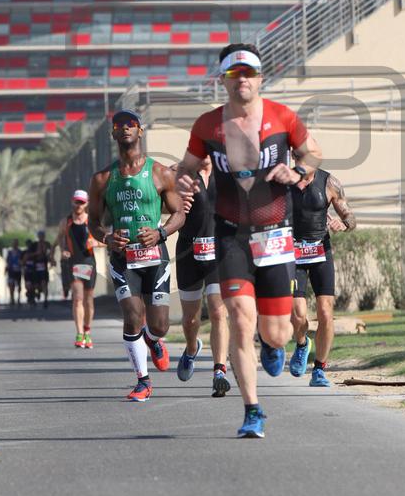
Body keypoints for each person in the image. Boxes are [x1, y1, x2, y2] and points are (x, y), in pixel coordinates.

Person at [177, 43, 321, 438]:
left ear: (260, 78)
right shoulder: (207, 125)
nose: (242, 80)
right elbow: (187, 167)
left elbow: (312, 153)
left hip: (274, 232)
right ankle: (252, 411)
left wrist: (298, 171)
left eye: (249, 73)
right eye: (234, 74)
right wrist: (184, 181)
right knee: (240, 318)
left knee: (277, 332)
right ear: (223, 80)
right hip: (230, 234)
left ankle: (273, 345)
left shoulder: (282, 116)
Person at [88, 108, 184, 402]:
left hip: (155, 257)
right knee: (132, 317)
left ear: (140, 130)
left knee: (159, 325)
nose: (125, 128)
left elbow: (179, 213)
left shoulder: (160, 173)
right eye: (119, 125)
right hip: (123, 259)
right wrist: (106, 238)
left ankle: (154, 341)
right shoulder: (103, 179)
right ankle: (143, 380)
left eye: (130, 123)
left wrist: (161, 233)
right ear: (113, 133)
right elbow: (93, 222)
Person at [289, 169, 357, 387]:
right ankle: (302, 344)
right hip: (293, 253)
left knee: (326, 312)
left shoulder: (329, 182)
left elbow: (350, 217)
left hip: (320, 252)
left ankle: (319, 369)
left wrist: (343, 224)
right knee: (297, 313)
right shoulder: (285, 180)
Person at [173, 158, 231, 397]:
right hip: (189, 253)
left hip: (219, 252)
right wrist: (174, 201)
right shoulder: (180, 173)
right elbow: (159, 198)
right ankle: (191, 349)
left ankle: (219, 371)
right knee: (190, 320)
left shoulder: (227, 170)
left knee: (218, 312)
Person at [52, 189, 99, 348]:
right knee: (78, 298)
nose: (78, 205)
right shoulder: (66, 222)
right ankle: (79, 334)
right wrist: (62, 249)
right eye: (76, 202)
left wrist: (96, 243)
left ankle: (87, 331)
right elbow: (60, 237)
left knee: (88, 300)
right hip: (74, 263)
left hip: (89, 262)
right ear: (72, 202)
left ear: (86, 204)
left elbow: (106, 239)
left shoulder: (91, 221)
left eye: (82, 202)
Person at [34, 230, 51, 309]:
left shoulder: (47, 244)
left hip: (44, 268)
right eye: (40, 236)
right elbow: (29, 254)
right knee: (37, 285)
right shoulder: (35, 245)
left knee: (44, 283)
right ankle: (38, 291)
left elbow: (50, 253)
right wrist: (36, 254)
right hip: (36, 268)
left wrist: (50, 259)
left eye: (42, 236)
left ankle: (45, 300)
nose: (41, 237)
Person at [6, 238, 23, 305]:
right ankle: (12, 298)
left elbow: (22, 261)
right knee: (11, 284)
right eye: (14, 243)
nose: (15, 244)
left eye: (16, 243)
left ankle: (18, 298)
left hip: (18, 270)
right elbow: (7, 261)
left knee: (18, 284)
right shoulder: (10, 252)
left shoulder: (20, 252)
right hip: (11, 271)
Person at [23, 239, 37, 305]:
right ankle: (29, 296)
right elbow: (22, 262)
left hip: (34, 272)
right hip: (27, 272)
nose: (29, 246)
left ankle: (33, 297)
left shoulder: (35, 252)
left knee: (33, 286)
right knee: (28, 286)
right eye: (28, 244)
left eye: (30, 244)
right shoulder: (24, 252)